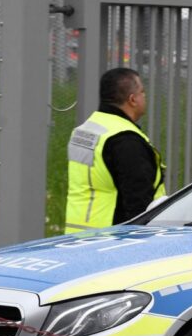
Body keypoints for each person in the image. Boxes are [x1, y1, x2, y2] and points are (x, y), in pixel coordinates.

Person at [65, 67, 166, 234]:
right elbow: (139, 206)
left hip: (78, 238)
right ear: (132, 99)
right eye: (142, 92)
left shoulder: (85, 131)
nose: (144, 96)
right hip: (111, 242)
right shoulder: (126, 141)